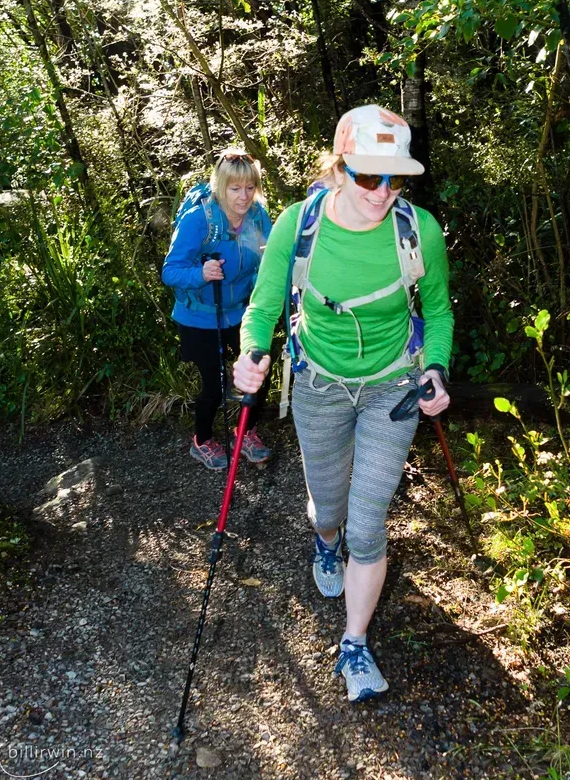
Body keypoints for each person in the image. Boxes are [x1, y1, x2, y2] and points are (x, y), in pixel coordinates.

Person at [233, 105, 453, 702]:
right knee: (328, 503)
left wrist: (434, 368)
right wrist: (253, 350)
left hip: (391, 387)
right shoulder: (296, 225)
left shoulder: (419, 230)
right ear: (337, 168)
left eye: (394, 179)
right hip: (319, 384)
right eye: (367, 178)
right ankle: (323, 541)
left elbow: (436, 312)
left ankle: (354, 644)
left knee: (368, 519)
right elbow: (262, 306)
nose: (382, 193)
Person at [162, 149, 273, 471]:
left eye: (250, 188)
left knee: (256, 375)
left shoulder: (258, 215)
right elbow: (170, 271)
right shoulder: (200, 220)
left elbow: (271, 256)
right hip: (198, 316)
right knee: (214, 384)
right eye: (235, 189)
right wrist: (200, 274)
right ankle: (202, 439)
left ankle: (246, 431)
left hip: (241, 312)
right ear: (220, 187)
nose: (243, 196)